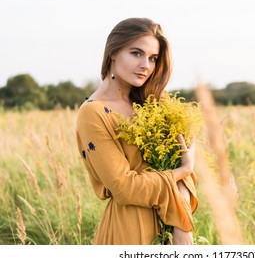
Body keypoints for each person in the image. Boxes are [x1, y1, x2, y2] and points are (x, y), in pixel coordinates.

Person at [75, 18, 198, 245]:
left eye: (153, 58)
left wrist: (182, 223)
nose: (146, 65)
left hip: (175, 227)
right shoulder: (93, 113)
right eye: (136, 53)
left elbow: (183, 168)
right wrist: (184, 170)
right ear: (113, 52)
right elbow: (124, 188)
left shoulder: (157, 103)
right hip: (129, 229)